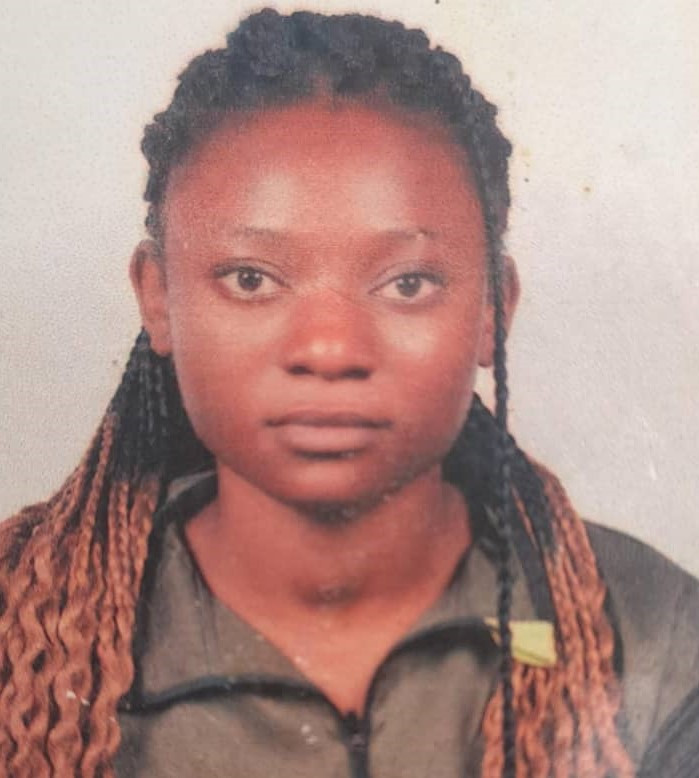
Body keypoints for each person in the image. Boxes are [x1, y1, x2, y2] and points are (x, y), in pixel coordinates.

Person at [1, 9, 697, 778]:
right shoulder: (23, 631)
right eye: (250, 279)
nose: (328, 350)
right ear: (157, 297)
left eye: (407, 283)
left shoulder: (653, 633)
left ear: (491, 310)